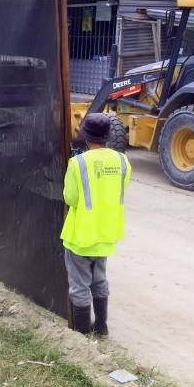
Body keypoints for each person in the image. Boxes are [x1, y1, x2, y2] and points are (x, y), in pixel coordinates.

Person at [61, 113, 132, 335]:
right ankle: (101, 327)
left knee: (80, 284)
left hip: (81, 236)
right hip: (107, 233)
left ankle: (82, 335)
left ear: (85, 136)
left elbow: (70, 198)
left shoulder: (77, 163)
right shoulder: (122, 161)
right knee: (99, 278)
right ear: (107, 136)